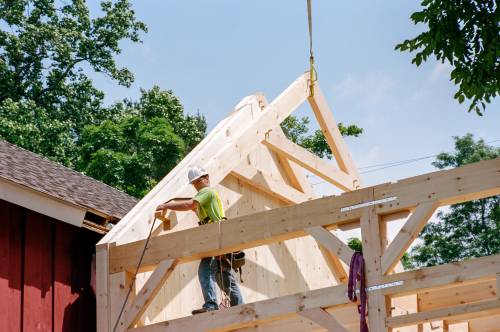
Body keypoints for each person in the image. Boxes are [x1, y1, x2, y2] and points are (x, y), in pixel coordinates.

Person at [156, 166, 244, 314]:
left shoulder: (207, 192)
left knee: (206, 269)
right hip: (216, 237)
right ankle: (240, 307)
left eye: (198, 181)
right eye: (195, 183)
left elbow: (189, 204)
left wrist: (166, 205)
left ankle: (211, 305)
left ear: (206, 178)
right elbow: (193, 207)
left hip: (215, 236)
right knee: (222, 275)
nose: (197, 185)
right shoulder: (205, 198)